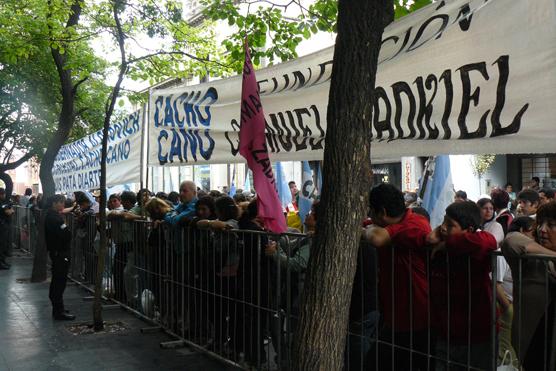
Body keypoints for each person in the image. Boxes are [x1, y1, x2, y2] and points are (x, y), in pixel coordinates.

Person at [364, 183, 431, 371]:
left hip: (416, 319)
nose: (370, 215)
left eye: (372, 211)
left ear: (382, 212)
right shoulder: (395, 224)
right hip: (395, 317)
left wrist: (364, 232)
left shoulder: (414, 224)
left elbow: (376, 238)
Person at [427, 201, 498, 371]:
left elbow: (488, 241)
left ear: (470, 230)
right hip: (446, 333)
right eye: (442, 222)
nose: (443, 228)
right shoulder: (437, 252)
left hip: (477, 335)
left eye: (450, 225)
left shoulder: (476, 247)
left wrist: (447, 244)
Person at [502, 201, 556, 371]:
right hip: (533, 344)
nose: (543, 230)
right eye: (540, 223)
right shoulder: (530, 261)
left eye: (552, 225)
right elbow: (511, 242)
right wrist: (554, 255)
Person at [45, 195, 75, 320]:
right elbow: (67, 235)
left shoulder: (51, 215)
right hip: (60, 254)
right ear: (54, 203)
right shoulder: (55, 218)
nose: (63, 205)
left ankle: (59, 308)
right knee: (59, 282)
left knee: (58, 281)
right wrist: (66, 225)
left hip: (57, 253)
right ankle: (58, 311)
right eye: (61, 203)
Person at [0, 188, 13, 269]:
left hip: (4, 225)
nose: (4, 195)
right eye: (3, 194)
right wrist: (10, 210)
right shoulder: (1, 203)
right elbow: (8, 212)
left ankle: (2, 261)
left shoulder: (3, 203)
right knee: (1, 245)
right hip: (1, 226)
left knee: (4, 245)